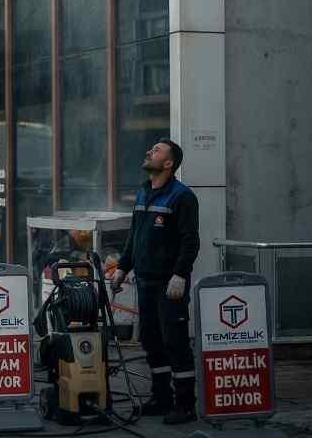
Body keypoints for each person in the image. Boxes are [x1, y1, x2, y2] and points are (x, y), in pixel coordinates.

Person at [111, 139, 200, 424]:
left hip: (168, 284)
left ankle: (185, 405)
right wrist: (122, 267)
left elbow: (190, 242)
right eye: (151, 148)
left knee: (175, 342)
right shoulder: (143, 192)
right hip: (145, 281)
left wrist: (180, 275)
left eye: (157, 150)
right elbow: (134, 236)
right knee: (151, 340)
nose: (150, 151)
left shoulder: (182, 197)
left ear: (169, 163)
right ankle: (161, 398)